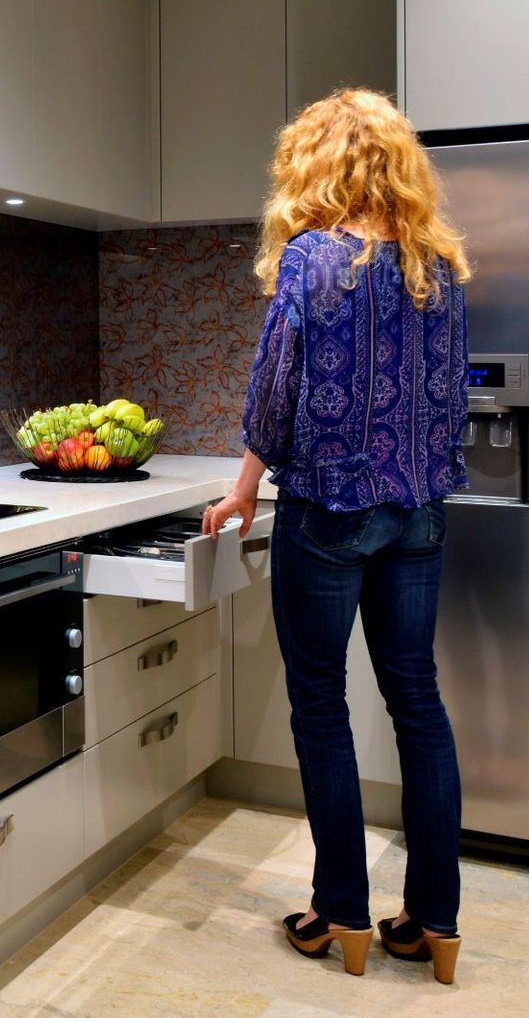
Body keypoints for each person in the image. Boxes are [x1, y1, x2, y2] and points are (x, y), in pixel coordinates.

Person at [202, 88, 471, 984]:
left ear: (313, 164)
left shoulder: (312, 260)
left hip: (327, 512)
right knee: (417, 705)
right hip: (419, 510)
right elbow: (448, 400)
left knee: (321, 706)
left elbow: (274, 396)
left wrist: (244, 492)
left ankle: (341, 915)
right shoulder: (436, 261)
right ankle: (435, 924)